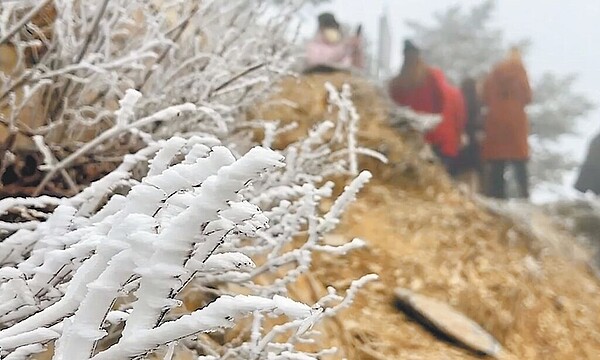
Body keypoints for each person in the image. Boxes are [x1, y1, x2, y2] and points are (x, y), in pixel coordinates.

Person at [389, 40, 465, 171]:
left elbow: (395, 108)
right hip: (435, 135)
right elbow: (442, 101)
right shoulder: (432, 75)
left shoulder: (397, 82)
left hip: (412, 136)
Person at [481, 47, 532, 199]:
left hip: (496, 121)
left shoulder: (495, 72)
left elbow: (484, 95)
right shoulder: (520, 72)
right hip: (516, 122)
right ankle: (524, 196)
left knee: (497, 163)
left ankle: (497, 197)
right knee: (520, 162)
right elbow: (528, 97)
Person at [451, 77, 483, 191]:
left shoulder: (458, 100)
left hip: (460, 141)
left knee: (459, 173)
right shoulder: (477, 102)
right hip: (473, 142)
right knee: (472, 172)